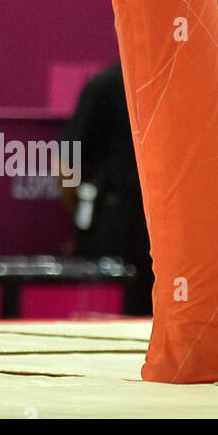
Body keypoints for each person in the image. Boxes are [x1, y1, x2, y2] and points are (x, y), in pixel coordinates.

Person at [62, 63, 153, 315]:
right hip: (110, 223)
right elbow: (67, 160)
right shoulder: (106, 85)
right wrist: (81, 217)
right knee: (104, 312)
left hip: (161, 225)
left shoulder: (177, 85)